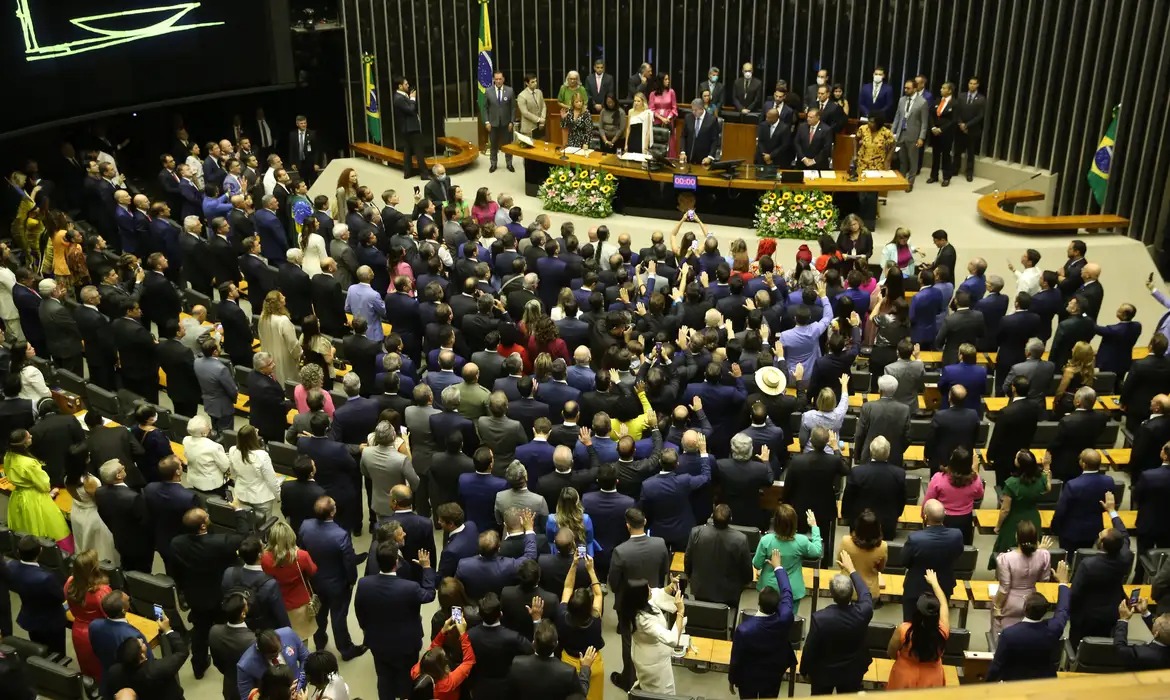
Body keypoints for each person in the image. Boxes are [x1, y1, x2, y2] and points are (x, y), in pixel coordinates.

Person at [171, 507, 245, 677]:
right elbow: (243, 537)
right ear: (203, 526)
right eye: (207, 517)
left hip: (195, 597)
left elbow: (175, 571)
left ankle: (198, 666)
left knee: (200, 632)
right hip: (220, 597)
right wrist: (239, 511)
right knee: (225, 632)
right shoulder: (220, 542)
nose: (209, 516)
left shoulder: (177, 543)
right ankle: (227, 665)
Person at [357, 541, 436, 698]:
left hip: (378, 642)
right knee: (406, 677)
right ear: (396, 563)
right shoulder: (410, 587)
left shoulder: (364, 584)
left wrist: (369, 630)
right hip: (406, 644)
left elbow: (360, 613)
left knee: (384, 676)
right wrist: (426, 568)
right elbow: (429, 594)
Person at [301, 496, 366, 661]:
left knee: (319, 614)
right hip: (337, 584)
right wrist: (352, 581)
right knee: (338, 617)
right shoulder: (341, 535)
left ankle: (320, 642)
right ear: (332, 512)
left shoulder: (305, 526)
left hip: (315, 581)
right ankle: (345, 649)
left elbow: (302, 551)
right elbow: (349, 562)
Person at [800, 550, 874, 694]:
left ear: (831, 594)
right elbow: (865, 592)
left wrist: (804, 670)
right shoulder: (864, 612)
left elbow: (811, 647)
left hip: (824, 673)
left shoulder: (820, 619)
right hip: (852, 671)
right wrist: (852, 569)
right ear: (851, 593)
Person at [987, 560, 1071, 681]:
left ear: (1025, 608)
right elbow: (1063, 610)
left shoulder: (1009, 634)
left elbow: (997, 666)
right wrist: (1063, 583)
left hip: (1015, 684)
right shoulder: (1054, 629)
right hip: (1044, 684)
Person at [1069, 491, 1134, 647]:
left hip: (1086, 613)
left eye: (1101, 535)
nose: (1099, 533)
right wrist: (1111, 511)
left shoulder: (1088, 565)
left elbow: (1076, 592)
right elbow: (1124, 534)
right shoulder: (1126, 556)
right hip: (1112, 610)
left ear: (1102, 544)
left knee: (1077, 643)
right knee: (1102, 642)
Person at [729, 561, 795, 699]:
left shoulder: (744, 630)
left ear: (759, 603)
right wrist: (778, 567)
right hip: (773, 674)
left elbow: (736, 658)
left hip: (748, 678)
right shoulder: (785, 618)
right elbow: (787, 591)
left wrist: (732, 679)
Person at [3, 429, 70, 545]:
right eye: (29, 437)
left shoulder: (8, 456)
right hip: (35, 498)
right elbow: (44, 485)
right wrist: (52, 492)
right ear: (24, 444)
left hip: (18, 496)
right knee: (50, 527)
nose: (31, 437)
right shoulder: (29, 463)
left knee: (24, 528)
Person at [902, 500, 964, 622]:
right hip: (944, 584)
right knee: (938, 622)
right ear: (945, 514)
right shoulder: (957, 535)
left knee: (911, 622)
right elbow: (958, 554)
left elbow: (904, 561)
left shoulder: (915, 539)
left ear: (925, 516)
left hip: (917, 586)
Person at [886, 568, 949, 689]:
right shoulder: (942, 630)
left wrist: (904, 659)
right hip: (932, 678)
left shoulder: (904, 630)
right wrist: (935, 583)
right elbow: (944, 604)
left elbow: (891, 652)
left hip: (905, 675)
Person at [619, 577, 682, 694]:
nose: (651, 590)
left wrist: (669, 587)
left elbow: (656, 593)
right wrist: (680, 613)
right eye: (647, 589)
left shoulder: (635, 604)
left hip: (648, 654)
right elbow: (672, 640)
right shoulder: (643, 620)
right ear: (640, 597)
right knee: (660, 692)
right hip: (653, 663)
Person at [259, 520, 319, 642]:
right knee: (302, 641)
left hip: (277, 604)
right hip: (300, 605)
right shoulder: (301, 556)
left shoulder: (264, 558)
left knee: (283, 641)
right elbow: (313, 571)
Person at [555, 554, 605, 700]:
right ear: (589, 607)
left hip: (567, 666)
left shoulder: (561, 615)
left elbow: (568, 587)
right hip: (593, 665)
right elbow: (598, 594)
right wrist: (590, 569)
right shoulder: (596, 617)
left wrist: (574, 565)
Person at [683, 504, 753, 608]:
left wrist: (689, 575)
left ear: (712, 517)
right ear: (731, 519)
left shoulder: (696, 533)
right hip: (729, 593)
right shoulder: (741, 539)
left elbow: (688, 558)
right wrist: (747, 581)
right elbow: (746, 566)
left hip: (701, 588)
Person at [506, 620, 595, 700]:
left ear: (533, 643)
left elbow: (511, 693)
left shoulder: (517, 663)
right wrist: (585, 668)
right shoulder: (568, 672)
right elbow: (580, 695)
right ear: (556, 644)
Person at [992, 520, 1053, 636]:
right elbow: (1044, 579)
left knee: (1002, 635)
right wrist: (1041, 551)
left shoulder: (1005, 558)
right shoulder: (1044, 555)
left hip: (1010, 602)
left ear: (1017, 537)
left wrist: (997, 606)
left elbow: (1004, 588)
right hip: (1032, 601)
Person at [106, 614, 188, 700]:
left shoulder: (114, 672)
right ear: (141, 655)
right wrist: (167, 630)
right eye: (141, 644)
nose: (142, 640)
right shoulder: (158, 669)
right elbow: (182, 652)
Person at [1052, 447, 1117, 551]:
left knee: (1068, 559)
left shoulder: (1072, 485)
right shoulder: (1108, 481)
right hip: (1094, 528)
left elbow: (1062, 509)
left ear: (1083, 464)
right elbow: (1109, 503)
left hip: (1071, 530)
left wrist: (1054, 527)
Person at [841, 436, 906, 538]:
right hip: (886, 524)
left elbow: (848, 498)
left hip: (861, 523)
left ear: (870, 451)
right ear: (888, 453)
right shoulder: (899, 474)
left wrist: (845, 515)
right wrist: (896, 515)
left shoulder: (857, 472)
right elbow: (901, 500)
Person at [923, 447, 984, 545]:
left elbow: (928, 501)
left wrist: (924, 517)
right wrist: (976, 471)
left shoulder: (938, 478)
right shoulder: (975, 481)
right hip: (964, 520)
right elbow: (979, 495)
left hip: (943, 519)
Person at [236, 627, 309, 700]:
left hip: (300, 694)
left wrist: (300, 683)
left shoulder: (288, 634)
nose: (277, 656)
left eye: (279, 651)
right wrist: (284, 695)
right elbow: (246, 697)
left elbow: (306, 658)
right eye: (273, 656)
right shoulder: (245, 666)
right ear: (261, 652)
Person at [229, 425, 284, 521]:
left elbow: (233, 474)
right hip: (261, 498)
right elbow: (271, 481)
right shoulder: (262, 456)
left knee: (247, 523)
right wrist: (278, 496)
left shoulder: (232, 450)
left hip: (241, 494)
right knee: (265, 526)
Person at [209, 593, 257, 700]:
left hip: (230, 687)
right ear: (243, 614)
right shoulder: (252, 641)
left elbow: (217, 662)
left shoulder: (214, 631)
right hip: (251, 690)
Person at [257, 291, 302, 385]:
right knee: (286, 382)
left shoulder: (262, 317)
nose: (284, 297)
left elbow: (260, 335)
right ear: (278, 303)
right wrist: (299, 355)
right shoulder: (283, 321)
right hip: (284, 359)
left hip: (268, 356)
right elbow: (293, 344)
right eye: (282, 297)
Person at [891, 79, 929, 190]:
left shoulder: (922, 102)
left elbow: (924, 122)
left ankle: (910, 183)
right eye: (905, 88)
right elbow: (897, 117)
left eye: (908, 88)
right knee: (902, 160)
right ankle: (901, 181)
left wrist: (921, 137)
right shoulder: (902, 100)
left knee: (913, 161)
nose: (905, 90)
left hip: (913, 136)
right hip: (901, 134)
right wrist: (892, 132)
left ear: (915, 88)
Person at [393, 76, 427, 179]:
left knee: (407, 151)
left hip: (408, 128)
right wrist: (413, 98)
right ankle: (424, 174)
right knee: (419, 151)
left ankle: (408, 173)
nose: (408, 85)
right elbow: (411, 110)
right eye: (406, 84)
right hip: (411, 128)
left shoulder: (402, 96)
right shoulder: (399, 98)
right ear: (400, 86)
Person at [517, 74, 547, 139]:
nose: (535, 83)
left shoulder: (539, 92)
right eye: (532, 82)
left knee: (540, 147)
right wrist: (539, 120)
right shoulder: (522, 96)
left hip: (540, 127)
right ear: (527, 83)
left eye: (536, 81)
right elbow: (525, 113)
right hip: (528, 129)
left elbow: (543, 106)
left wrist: (542, 119)